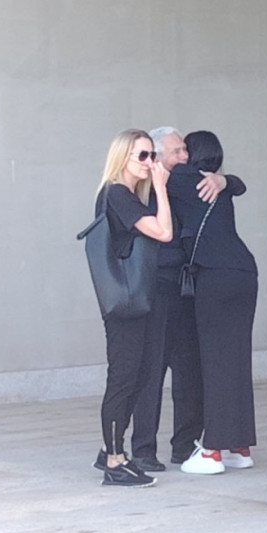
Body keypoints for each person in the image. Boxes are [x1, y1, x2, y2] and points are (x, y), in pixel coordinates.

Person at [128, 126, 247, 471]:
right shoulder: (143, 189)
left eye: (185, 150)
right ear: (156, 157)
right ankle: (143, 451)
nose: (185, 156)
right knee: (151, 371)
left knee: (190, 370)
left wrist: (224, 180)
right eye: (177, 151)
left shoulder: (189, 182)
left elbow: (236, 185)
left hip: (189, 288)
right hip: (156, 288)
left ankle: (185, 446)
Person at [167, 130, 258, 475]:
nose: (180, 155)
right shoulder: (213, 183)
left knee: (215, 361)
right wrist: (226, 179)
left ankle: (212, 451)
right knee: (235, 361)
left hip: (215, 277)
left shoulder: (182, 178)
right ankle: (239, 447)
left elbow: (154, 175)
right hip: (243, 273)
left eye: (183, 149)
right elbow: (240, 185)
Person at [92, 129, 173, 487]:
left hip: (133, 300)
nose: (149, 163)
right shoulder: (118, 194)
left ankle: (109, 450)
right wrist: (161, 188)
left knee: (137, 375)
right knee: (124, 377)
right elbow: (164, 232)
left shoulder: (125, 196)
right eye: (142, 155)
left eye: (152, 155)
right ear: (122, 157)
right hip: (125, 302)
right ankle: (114, 461)